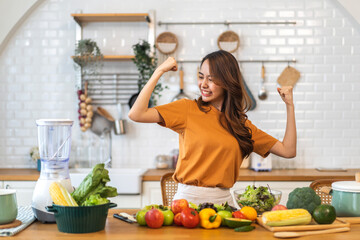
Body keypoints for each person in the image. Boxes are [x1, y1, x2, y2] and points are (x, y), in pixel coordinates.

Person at [128, 50, 296, 206]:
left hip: (224, 205)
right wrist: (159, 71)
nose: (204, 84)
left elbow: (288, 151)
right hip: (186, 205)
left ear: (227, 82)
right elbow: (137, 114)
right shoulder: (187, 109)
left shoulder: (241, 126)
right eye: (201, 77)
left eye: (212, 79)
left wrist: (289, 105)